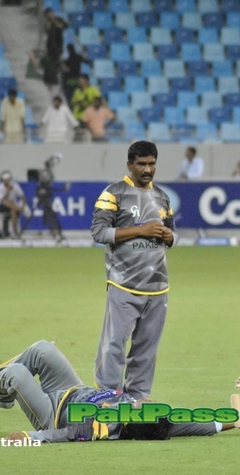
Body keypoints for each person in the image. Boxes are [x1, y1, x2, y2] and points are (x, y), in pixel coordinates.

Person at [0, 340, 240, 443]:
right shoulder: (163, 420)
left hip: (51, 414)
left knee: (20, 372)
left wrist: (29, 438)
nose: (151, 401)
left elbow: (63, 435)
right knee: (43, 349)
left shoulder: (102, 423)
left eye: (149, 405)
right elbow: (195, 422)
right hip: (70, 388)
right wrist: (234, 421)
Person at [91, 141, 177, 399]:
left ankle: (138, 398)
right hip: (123, 284)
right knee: (114, 345)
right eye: (141, 164)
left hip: (158, 286)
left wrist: (169, 237)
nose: (147, 169)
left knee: (146, 349)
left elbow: (171, 234)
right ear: (130, 165)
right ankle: (106, 398)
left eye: (151, 163)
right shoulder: (113, 193)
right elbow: (99, 233)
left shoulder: (162, 196)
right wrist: (141, 230)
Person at [36, 153, 67, 241]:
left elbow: (49, 186)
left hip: (47, 195)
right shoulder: (45, 173)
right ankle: (55, 232)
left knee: (51, 214)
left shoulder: (49, 173)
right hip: (45, 195)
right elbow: (45, 184)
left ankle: (55, 232)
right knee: (50, 215)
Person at [0, 170, 29, 238]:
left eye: (8, 180)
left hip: (13, 204)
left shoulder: (15, 186)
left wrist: (23, 205)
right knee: (11, 207)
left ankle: (16, 231)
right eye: (5, 181)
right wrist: (8, 191)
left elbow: (22, 196)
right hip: (3, 206)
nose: (7, 182)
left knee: (18, 210)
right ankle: (14, 231)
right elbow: (3, 200)